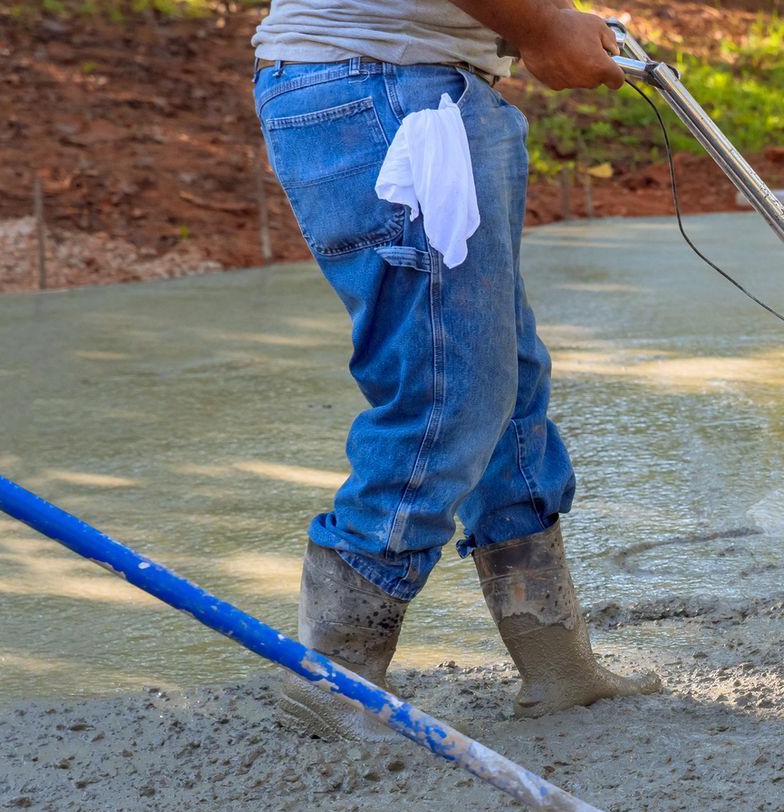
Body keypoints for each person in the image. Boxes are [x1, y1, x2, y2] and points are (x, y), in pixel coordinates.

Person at [250, 0, 659, 738]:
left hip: (420, 83)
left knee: (507, 374)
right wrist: (540, 30)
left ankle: (558, 664)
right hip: (378, 85)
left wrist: (548, 19)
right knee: (451, 387)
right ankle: (334, 674)